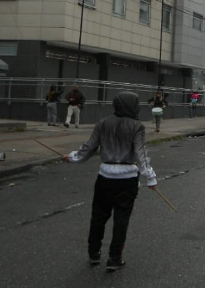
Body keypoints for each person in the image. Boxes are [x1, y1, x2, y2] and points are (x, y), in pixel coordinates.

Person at [62, 91, 157, 272]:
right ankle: (115, 257)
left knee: (98, 216)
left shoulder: (102, 123)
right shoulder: (137, 126)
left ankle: (94, 253)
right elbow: (141, 154)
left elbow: (88, 148)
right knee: (121, 219)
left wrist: (72, 157)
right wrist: (150, 178)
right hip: (127, 178)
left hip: (105, 176)